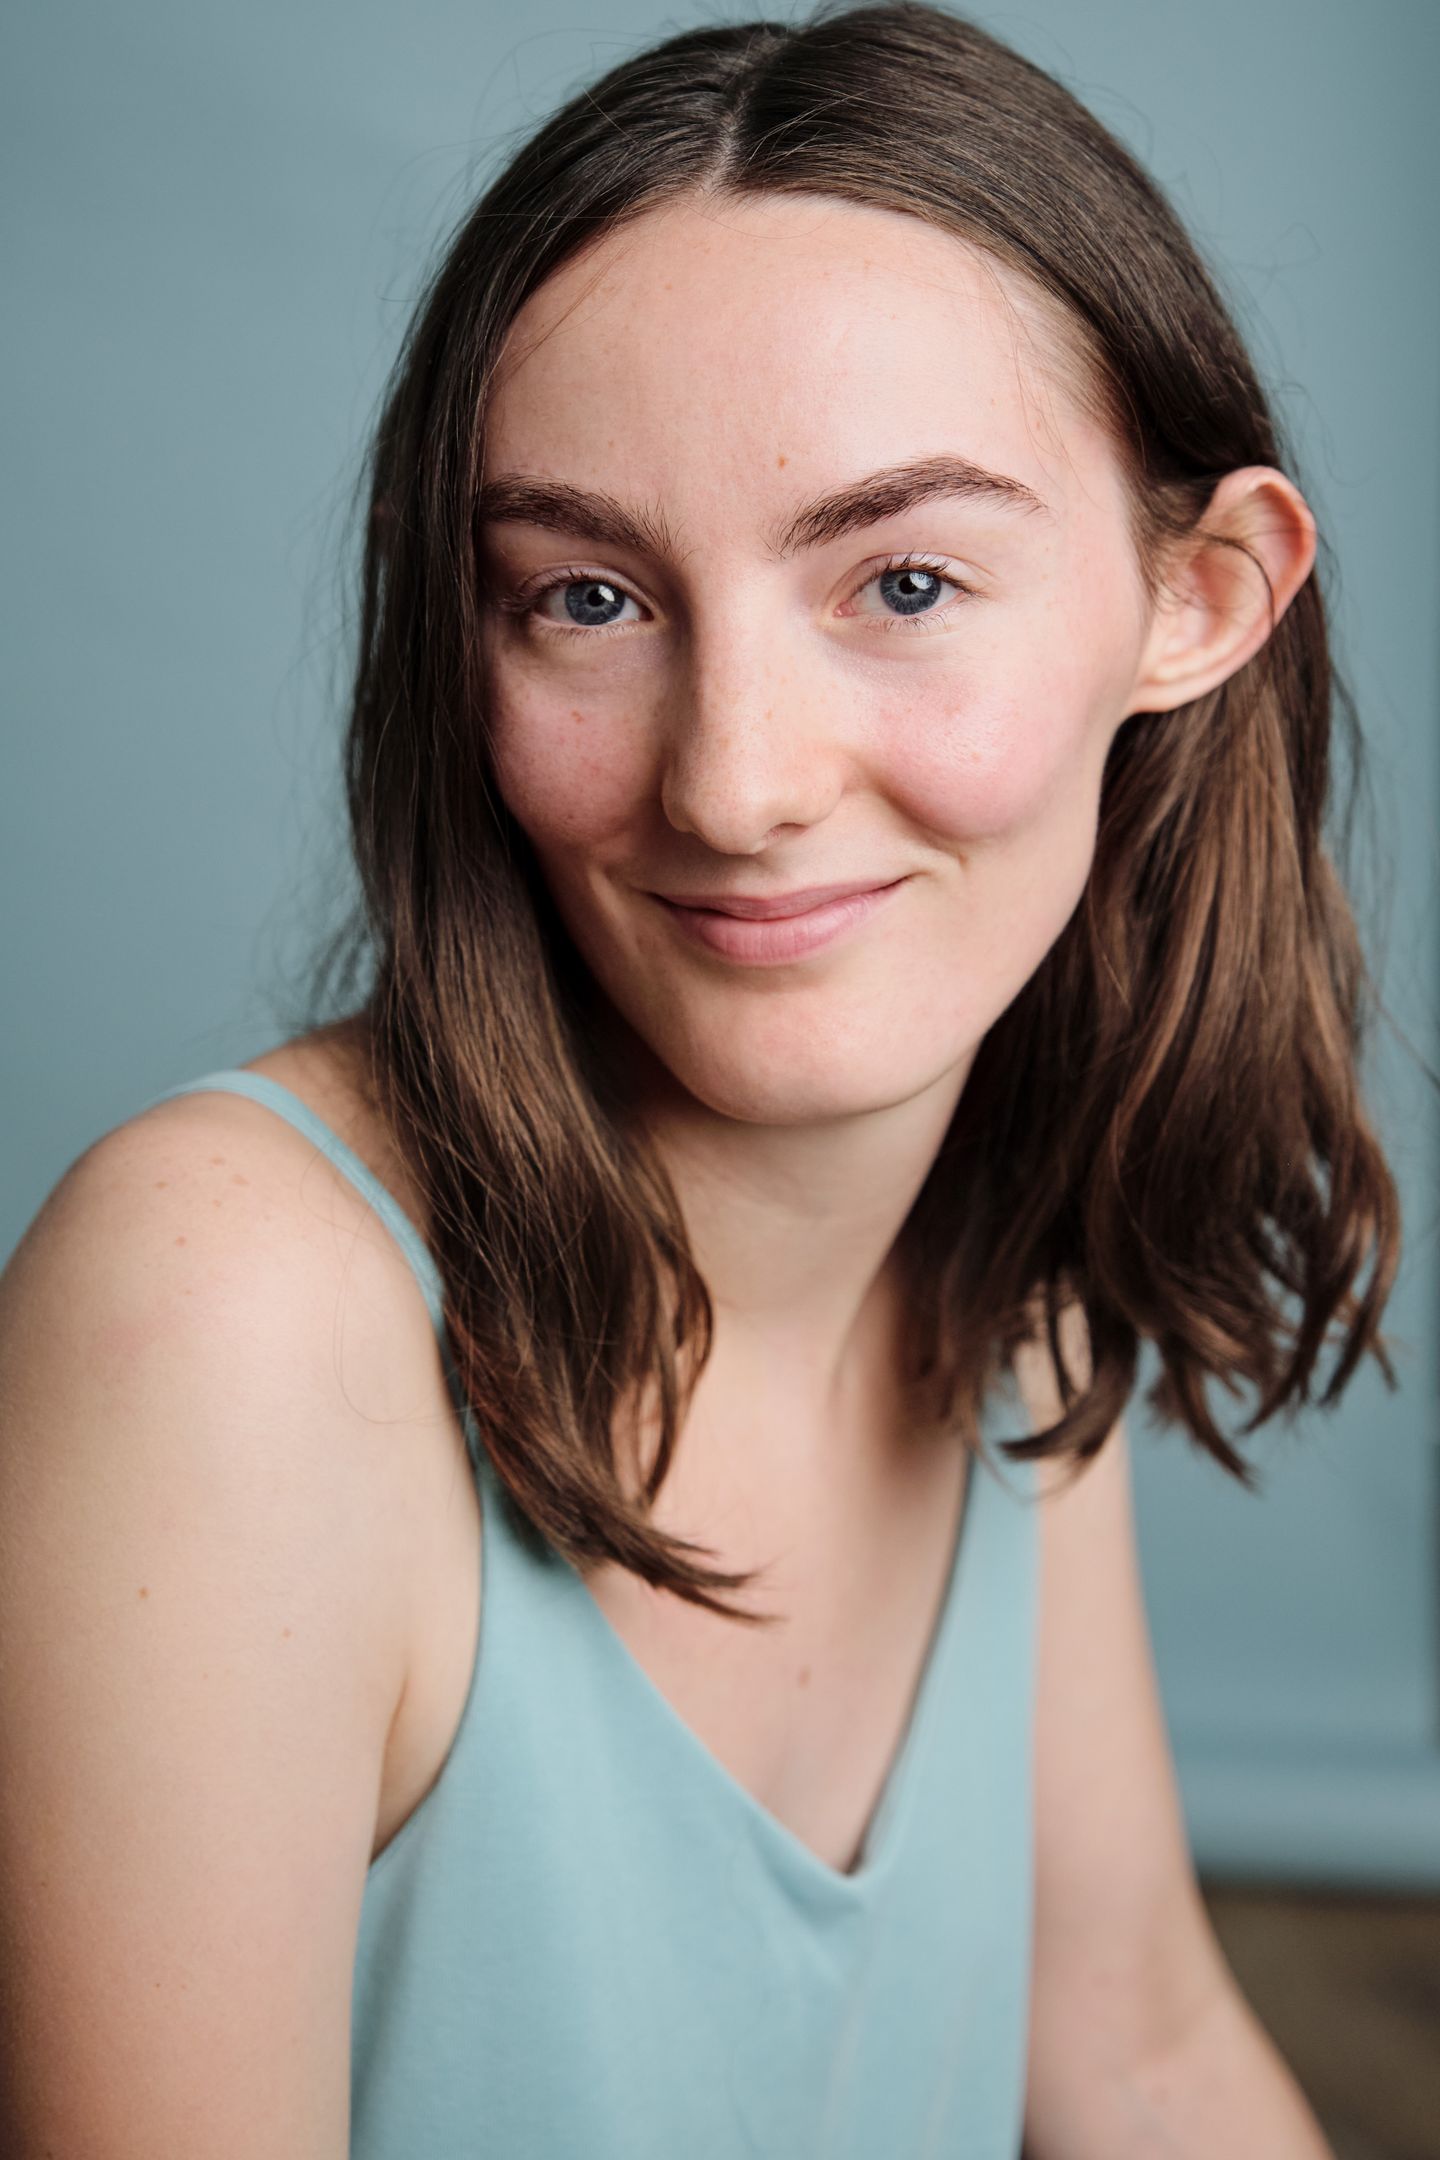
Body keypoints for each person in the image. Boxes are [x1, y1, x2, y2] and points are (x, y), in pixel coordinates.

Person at [0, 3, 1400, 2154]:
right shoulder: (223, 1321)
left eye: (903, 581)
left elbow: (1132, 2047)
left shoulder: (1005, 1280)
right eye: (587, 599)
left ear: (1196, 602)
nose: (733, 784)